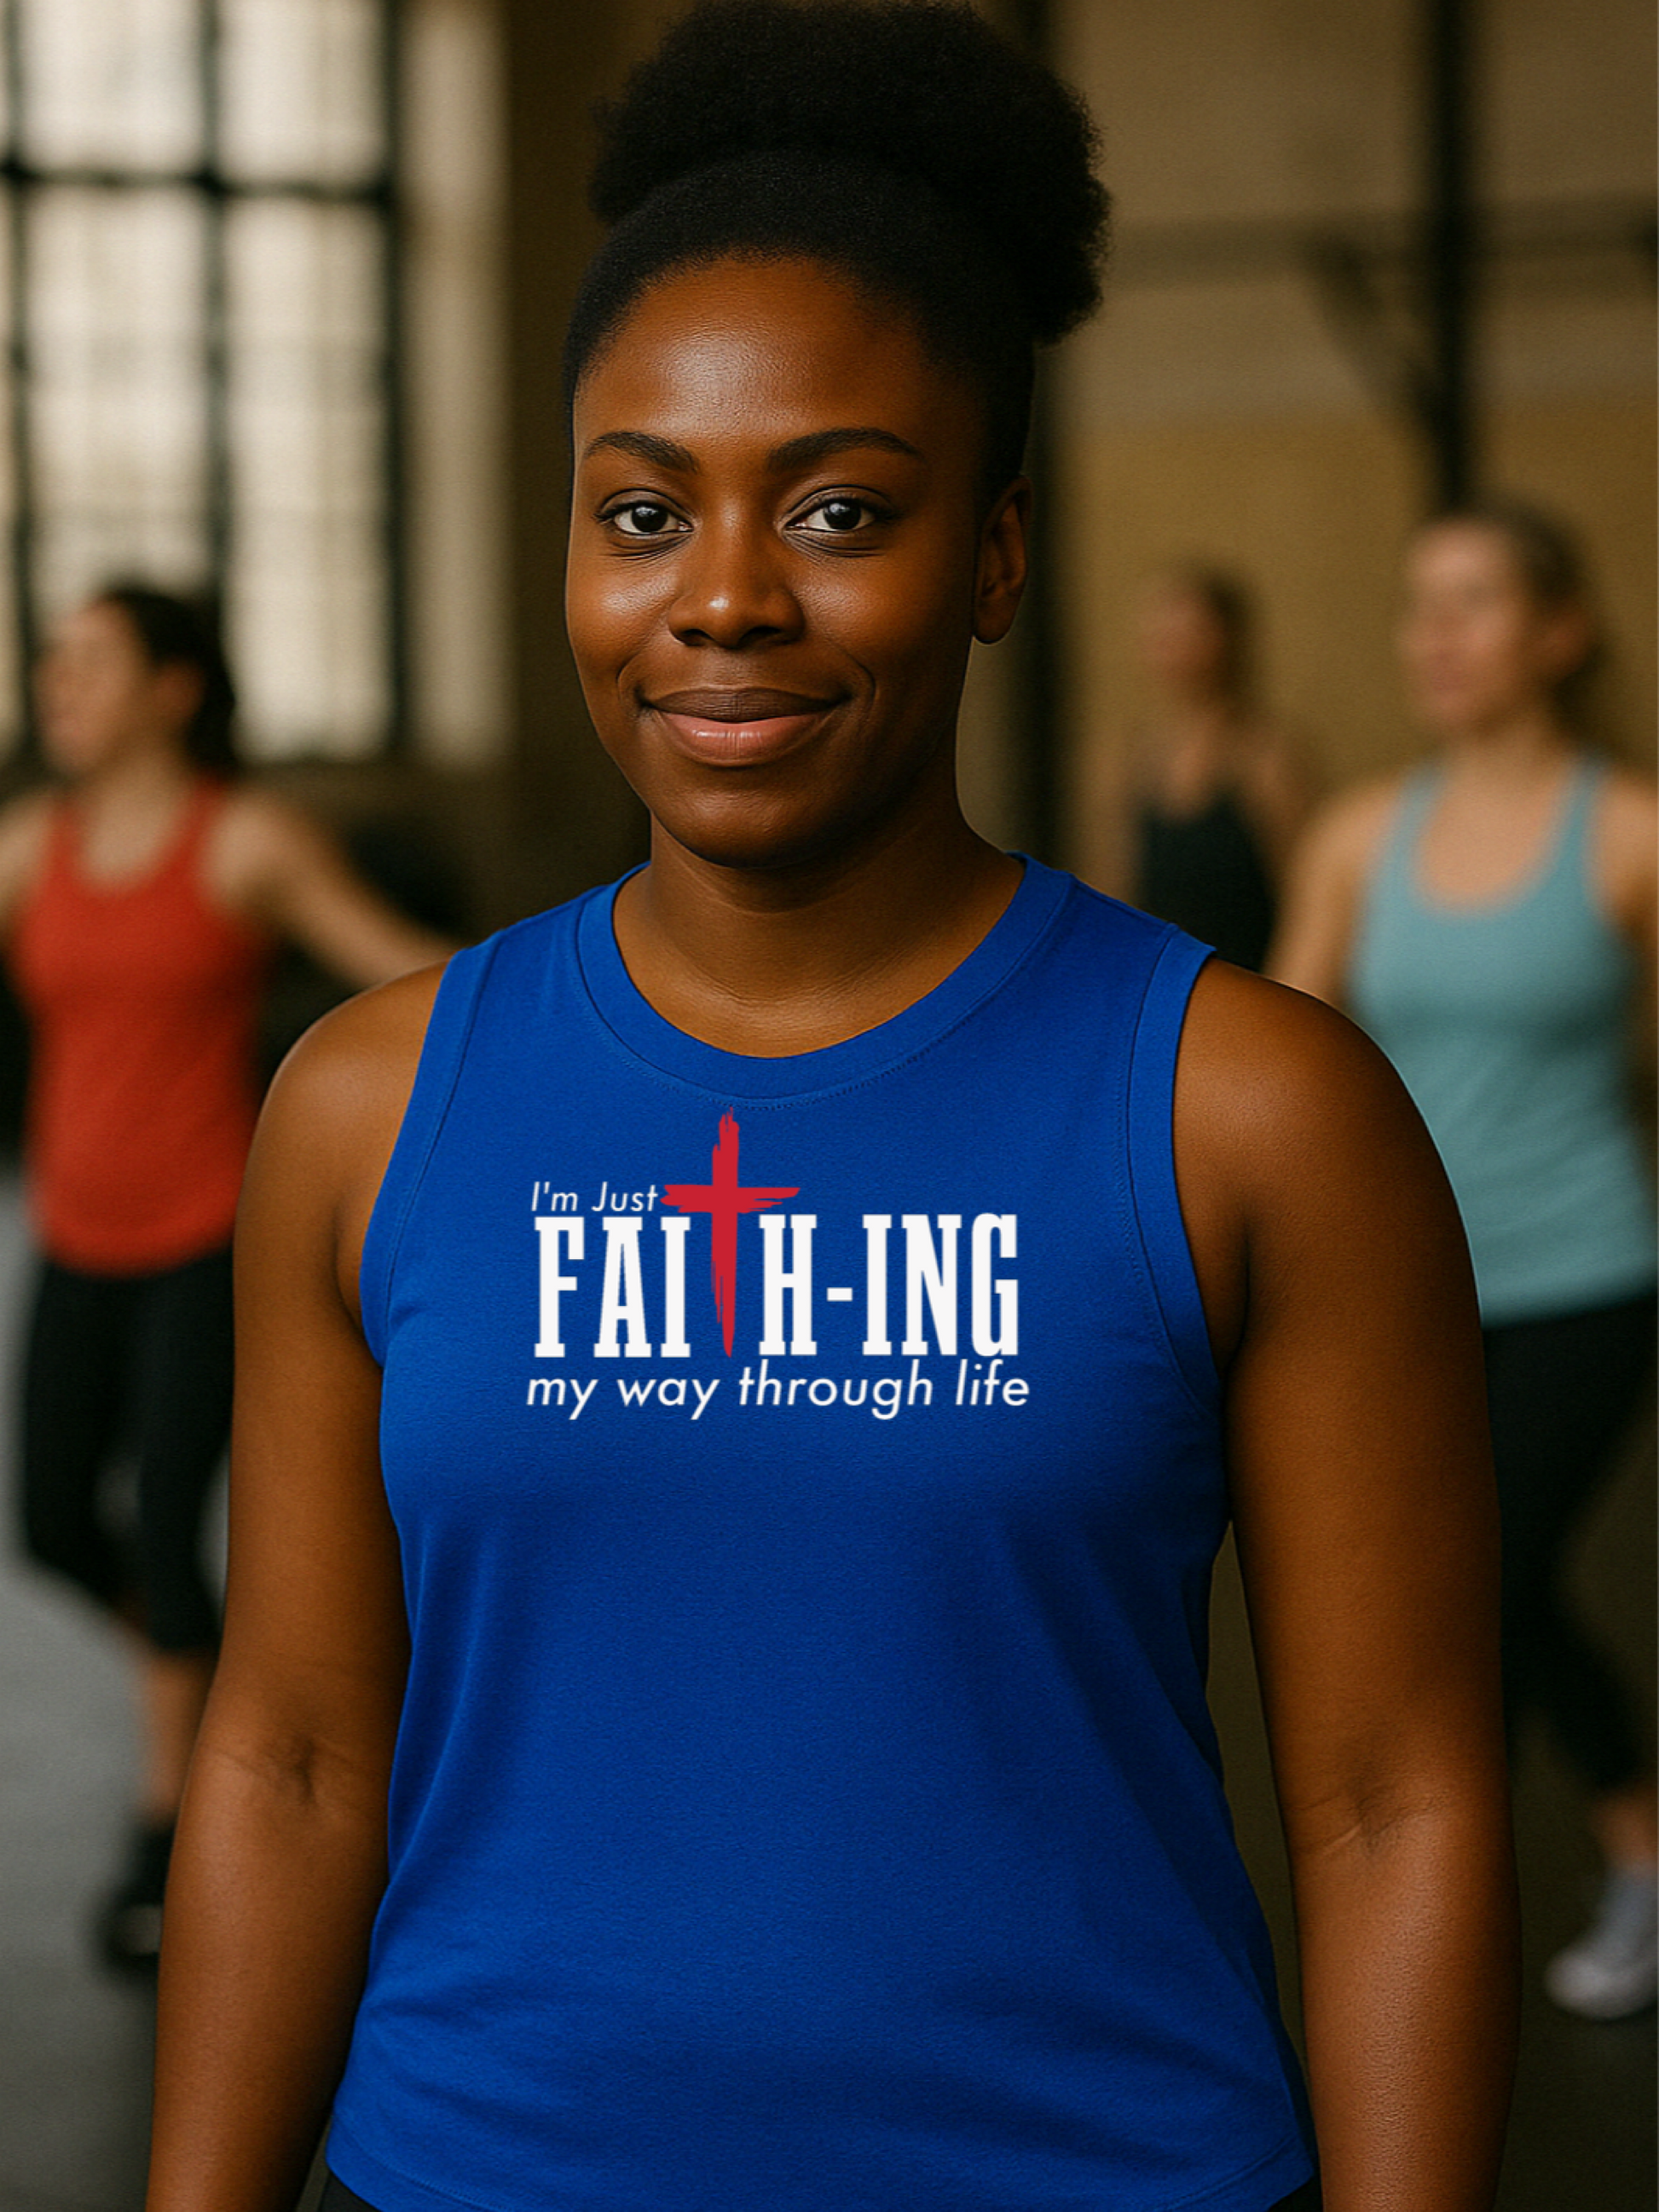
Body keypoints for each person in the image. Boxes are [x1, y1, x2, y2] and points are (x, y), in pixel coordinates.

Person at [148, 7, 1515, 2209]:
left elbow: (1392, 1800)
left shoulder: (1249, 1114)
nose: (722, 599)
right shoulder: (368, 1108)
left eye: (842, 508)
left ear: (992, 554)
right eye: (639, 510)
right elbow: (295, 1755)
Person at [0, 582, 454, 1968]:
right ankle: (214, 1675)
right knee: (56, 1524)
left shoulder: (243, 842)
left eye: (91, 663)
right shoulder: (31, 849)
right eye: (53, 664)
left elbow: (407, 977)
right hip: (76, 1234)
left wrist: (596, 1004)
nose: (58, 685)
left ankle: (166, 1823)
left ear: (172, 690)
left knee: (179, 1529)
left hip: (211, 1237)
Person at [1273, 499, 1659, 2020]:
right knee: (1444, 1593)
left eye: (1474, 603)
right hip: (1403, 1295)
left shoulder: (1628, 833)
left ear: (1558, 634)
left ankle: (1478, 1918)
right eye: (1416, 604)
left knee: (1479, 1576)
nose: (1433, 635)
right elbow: (1283, 1059)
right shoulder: (1362, 832)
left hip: (1583, 1277)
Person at [1080, 563, 1313, 970]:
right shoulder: (1126, 758)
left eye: (1187, 632)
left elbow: (1305, 896)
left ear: (1227, 639)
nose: (1171, 647)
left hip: (1251, 982)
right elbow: (1111, 891)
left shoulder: (1266, 758)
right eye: (1160, 634)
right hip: (1157, 984)